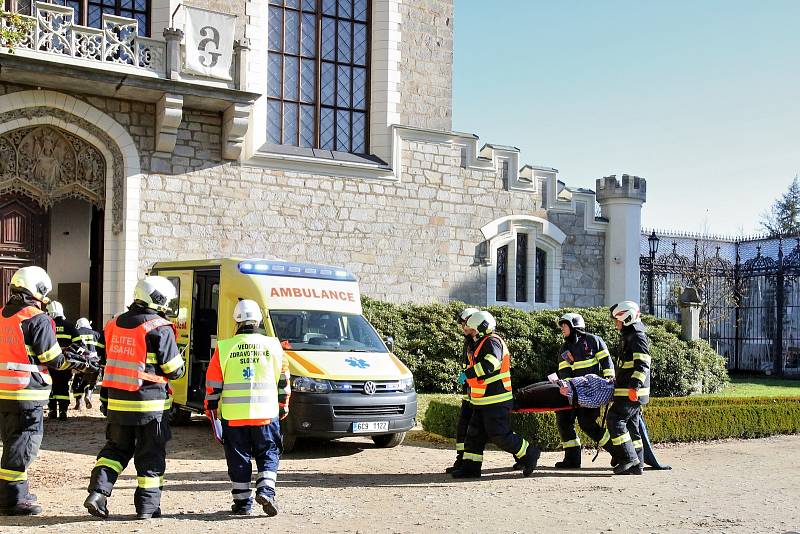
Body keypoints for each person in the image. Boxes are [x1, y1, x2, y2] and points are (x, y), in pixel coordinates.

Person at [84, 276, 185, 519]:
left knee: (115, 450)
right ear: (158, 298)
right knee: (150, 454)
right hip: (150, 405)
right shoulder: (159, 327)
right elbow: (174, 370)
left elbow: (109, 362)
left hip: (117, 402)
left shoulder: (114, 324)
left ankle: (98, 494)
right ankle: (147, 508)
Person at [0, 266, 91, 516]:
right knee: (24, 446)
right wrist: (76, 362)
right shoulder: (37, 318)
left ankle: (15, 494)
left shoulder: (2, 316)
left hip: (4, 393)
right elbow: (53, 358)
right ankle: (14, 500)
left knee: (11, 444)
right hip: (26, 394)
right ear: (38, 289)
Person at [204, 300, 291, 516]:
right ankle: (266, 491)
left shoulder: (223, 348)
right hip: (265, 414)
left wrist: (211, 410)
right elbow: (284, 382)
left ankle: (242, 504)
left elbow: (213, 385)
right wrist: (283, 406)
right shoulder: (274, 346)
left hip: (234, 417)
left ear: (236, 321)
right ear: (259, 320)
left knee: (238, 458)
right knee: (268, 452)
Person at [453, 311, 539, 478]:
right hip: (481, 401)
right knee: (474, 436)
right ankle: (470, 468)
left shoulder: (492, 342)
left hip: (496, 400)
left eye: (472, 329)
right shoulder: (480, 343)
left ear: (481, 328)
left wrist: (468, 374)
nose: (469, 331)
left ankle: (530, 453)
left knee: (499, 435)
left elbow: (489, 365)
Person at [554, 312, 615, 468]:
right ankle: (572, 460)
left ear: (574, 325)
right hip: (572, 393)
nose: (562, 328)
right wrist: (565, 387)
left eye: (564, 325)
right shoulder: (565, 348)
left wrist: (610, 385)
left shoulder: (594, 341)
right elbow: (564, 372)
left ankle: (619, 453)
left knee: (587, 424)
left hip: (591, 392)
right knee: (563, 421)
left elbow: (607, 363)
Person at [607, 301, 651, 475]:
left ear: (627, 317)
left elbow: (643, 363)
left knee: (615, 419)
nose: (615, 323)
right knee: (632, 427)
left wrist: (634, 386)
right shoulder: (630, 334)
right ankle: (637, 464)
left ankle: (628, 458)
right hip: (627, 390)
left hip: (631, 391)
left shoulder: (636, 336)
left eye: (617, 319)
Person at [445, 306, 478, 474]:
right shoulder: (469, 342)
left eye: (464, 323)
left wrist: (468, 377)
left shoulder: (482, 341)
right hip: (469, 393)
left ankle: (524, 456)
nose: (462, 327)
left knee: (496, 431)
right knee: (463, 427)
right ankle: (461, 459)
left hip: (481, 396)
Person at [46, 301, 78, 421]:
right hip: (65, 363)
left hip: (49, 362)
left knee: (51, 386)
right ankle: (63, 411)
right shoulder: (69, 326)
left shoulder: (47, 325)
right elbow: (79, 344)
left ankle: (52, 411)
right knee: (63, 386)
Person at [71, 318, 104, 409]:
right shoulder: (96, 334)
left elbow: (73, 347)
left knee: (78, 380)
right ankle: (88, 395)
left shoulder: (76, 332)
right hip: (94, 361)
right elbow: (101, 349)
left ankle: (79, 402)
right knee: (91, 380)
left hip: (79, 361)